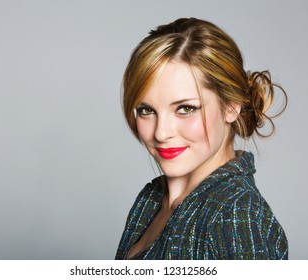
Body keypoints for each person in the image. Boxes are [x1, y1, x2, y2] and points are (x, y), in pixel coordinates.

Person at [115, 18, 288, 260]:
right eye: (147, 110)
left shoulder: (235, 215)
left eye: (185, 108)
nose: (161, 133)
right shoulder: (152, 199)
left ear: (231, 106)